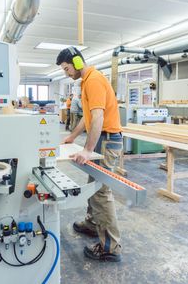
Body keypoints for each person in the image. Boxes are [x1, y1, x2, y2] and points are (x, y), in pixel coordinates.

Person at [56, 46, 123, 262]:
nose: (67, 73)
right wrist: (72, 138)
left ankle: (110, 247)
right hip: (102, 139)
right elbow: (86, 117)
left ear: (76, 62)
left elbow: (98, 118)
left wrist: (87, 149)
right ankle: (93, 225)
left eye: (67, 68)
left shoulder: (93, 80)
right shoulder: (86, 81)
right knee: (94, 186)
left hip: (107, 140)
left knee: (101, 191)